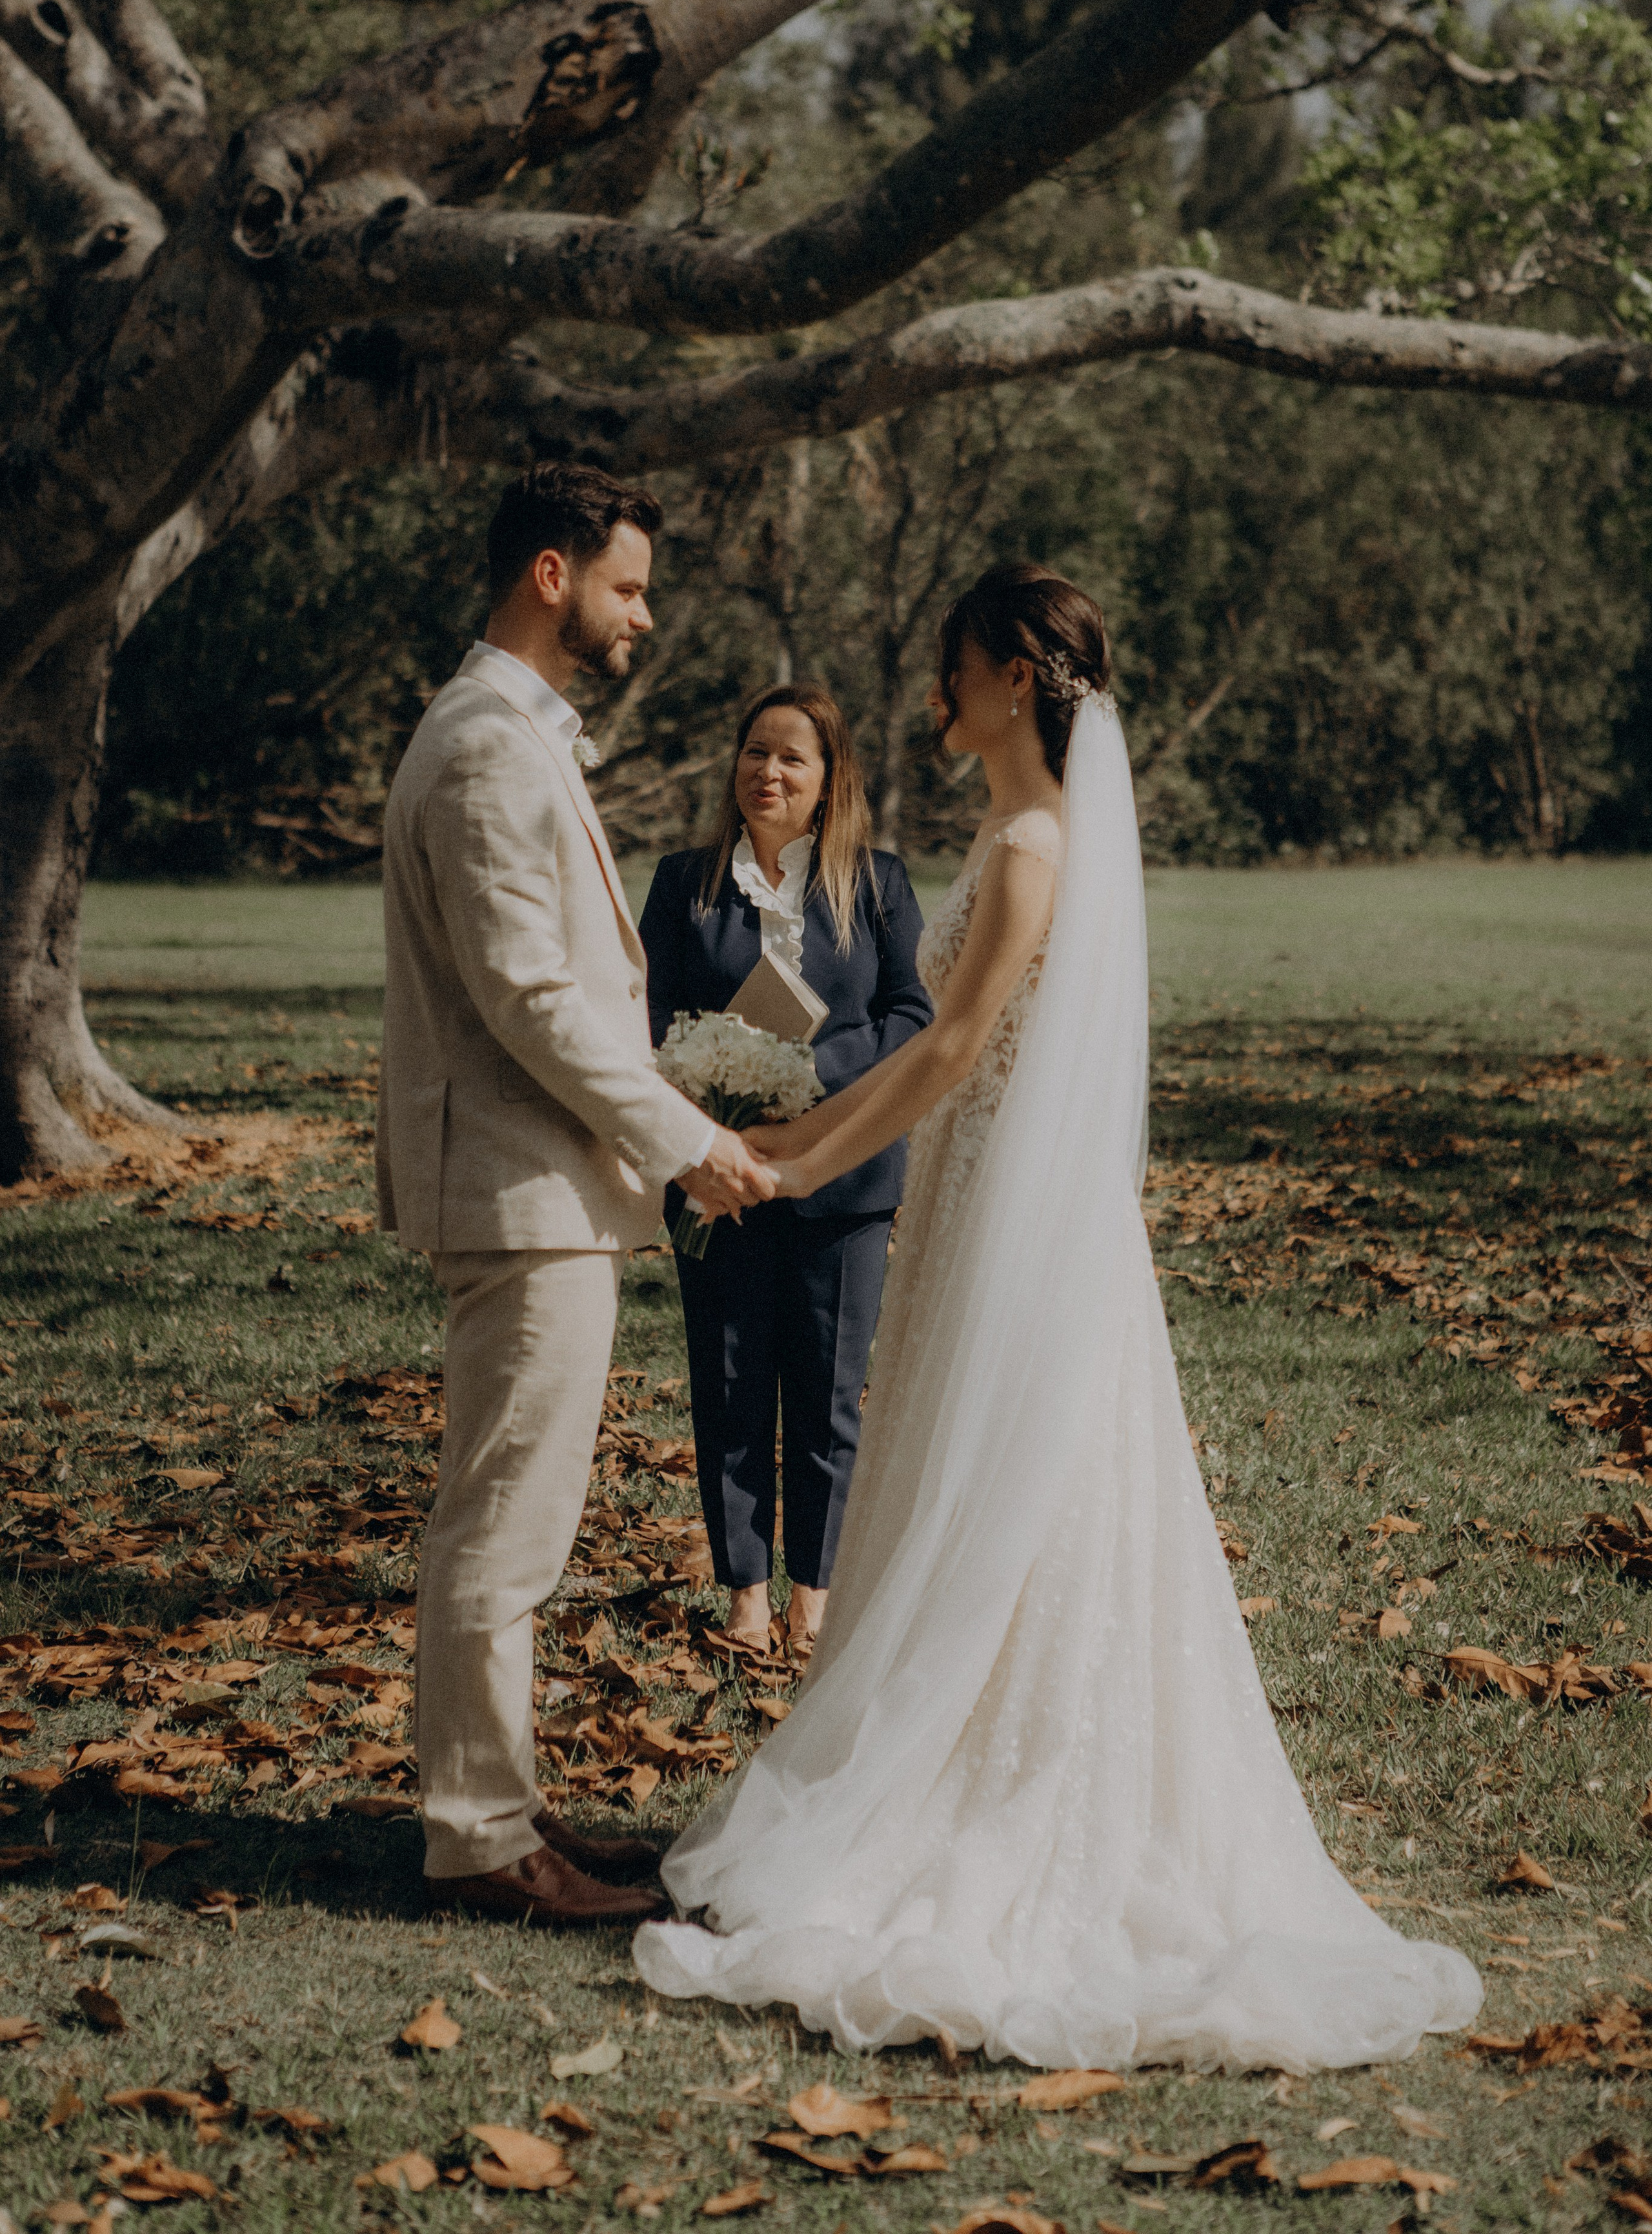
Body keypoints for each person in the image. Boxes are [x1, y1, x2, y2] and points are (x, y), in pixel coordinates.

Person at [634, 566, 1481, 2071]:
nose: (934, 695)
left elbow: (948, 1052)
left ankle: (1000, 1790)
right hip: (993, 1208)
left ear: (1014, 677)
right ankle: (976, 1748)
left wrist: (786, 1161)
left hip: (1007, 1220)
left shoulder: (1031, 844)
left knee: (1022, 1485)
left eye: (953, 669)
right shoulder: (1022, 832)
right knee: (987, 1483)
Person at [376, 460, 776, 1929]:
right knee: (505, 1516)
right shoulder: (484, 742)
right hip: (517, 1187)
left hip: (536, 1184)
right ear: (551, 575)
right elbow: (530, 996)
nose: (642, 616)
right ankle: (479, 1837)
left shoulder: (513, 731)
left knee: (511, 1509)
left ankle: (489, 1804)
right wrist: (686, 1140)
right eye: (627, 586)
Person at [640, 684, 932, 1652]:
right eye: (755, 752)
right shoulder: (686, 884)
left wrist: (807, 1072)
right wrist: (703, 1115)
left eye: (792, 759)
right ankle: (746, 1595)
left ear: (828, 779)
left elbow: (910, 1016)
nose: (768, 771)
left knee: (825, 1393)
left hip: (842, 1178)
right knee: (727, 1386)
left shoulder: (876, 883)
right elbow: (646, 1021)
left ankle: (815, 1593)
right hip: (718, 1174)